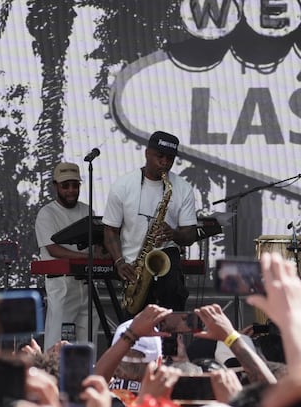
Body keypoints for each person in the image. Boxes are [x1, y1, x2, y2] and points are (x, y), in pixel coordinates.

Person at [102, 131, 200, 313]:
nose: (164, 163)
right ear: (147, 153)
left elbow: (191, 234)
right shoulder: (122, 186)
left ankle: (171, 341)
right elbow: (109, 231)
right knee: (136, 332)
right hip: (134, 266)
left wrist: (175, 234)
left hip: (166, 261)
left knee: (171, 318)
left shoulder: (182, 188)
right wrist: (119, 262)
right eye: (160, 156)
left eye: (170, 158)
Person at [34, 162, 93, 346]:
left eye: (75, 185)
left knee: (88, 339)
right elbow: (53, 249)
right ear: (55, 186)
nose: (71, 190)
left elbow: (96, 243)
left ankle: (88, 374)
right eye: (65, 185)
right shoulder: (46, 213)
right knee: (58, 341)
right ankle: (52, 374)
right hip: (61, 284)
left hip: (87, 284)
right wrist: (88, 258)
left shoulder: (86, 210)